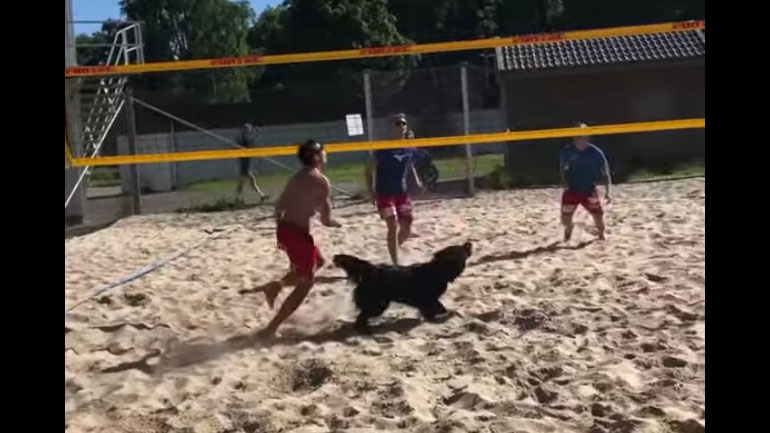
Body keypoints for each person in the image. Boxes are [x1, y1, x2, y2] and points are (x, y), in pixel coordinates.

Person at [257, 140, 341, 338]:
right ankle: (271, 329)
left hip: (288, 230)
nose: (326, 155)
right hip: (296, 234)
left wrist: (280, 232)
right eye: (323, 152)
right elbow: (326, 219)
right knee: (306, 283)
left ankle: (276, 286)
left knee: (319, 262)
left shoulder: (296, 178)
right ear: (316, 157)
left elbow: (279, 206)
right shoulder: (321, 181)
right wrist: (335, 223)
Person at [364, 113, 424, 265]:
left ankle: (393, 250)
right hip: (384, 193)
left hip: (401, 193)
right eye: (397, 123)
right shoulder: (382, 148)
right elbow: (368, 170)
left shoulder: (409, 147)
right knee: (392, 225)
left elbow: (410, 164)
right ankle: (395, 263)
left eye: (403, 123)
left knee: (407, 228)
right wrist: (371, 192)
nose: (401, 126)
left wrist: (417, 181)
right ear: (391, 128)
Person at [559, 122, 612, 241]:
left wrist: (608, 191)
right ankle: (569, 229)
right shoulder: (567, 151)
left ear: (587, 136)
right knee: (565, 218)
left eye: (583, 135)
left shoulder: (595, 152)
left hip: (589, 190)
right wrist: (564, 182)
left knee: (598, 215)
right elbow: (562, 168)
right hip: (571, 189)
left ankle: (601, 234)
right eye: (577, 135)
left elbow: (605, 171)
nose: (580, 138)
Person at [235, 121, 269, 202]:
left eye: (249, 129)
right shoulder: (241, 139)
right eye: (247, 129)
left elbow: (251, 147)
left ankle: (236, 199)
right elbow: (237, 148)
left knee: (245, 183)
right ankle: (261, 195)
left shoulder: (247, 139)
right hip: (244, 165)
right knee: (247, 182)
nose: (249, 130)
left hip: (246, 164)